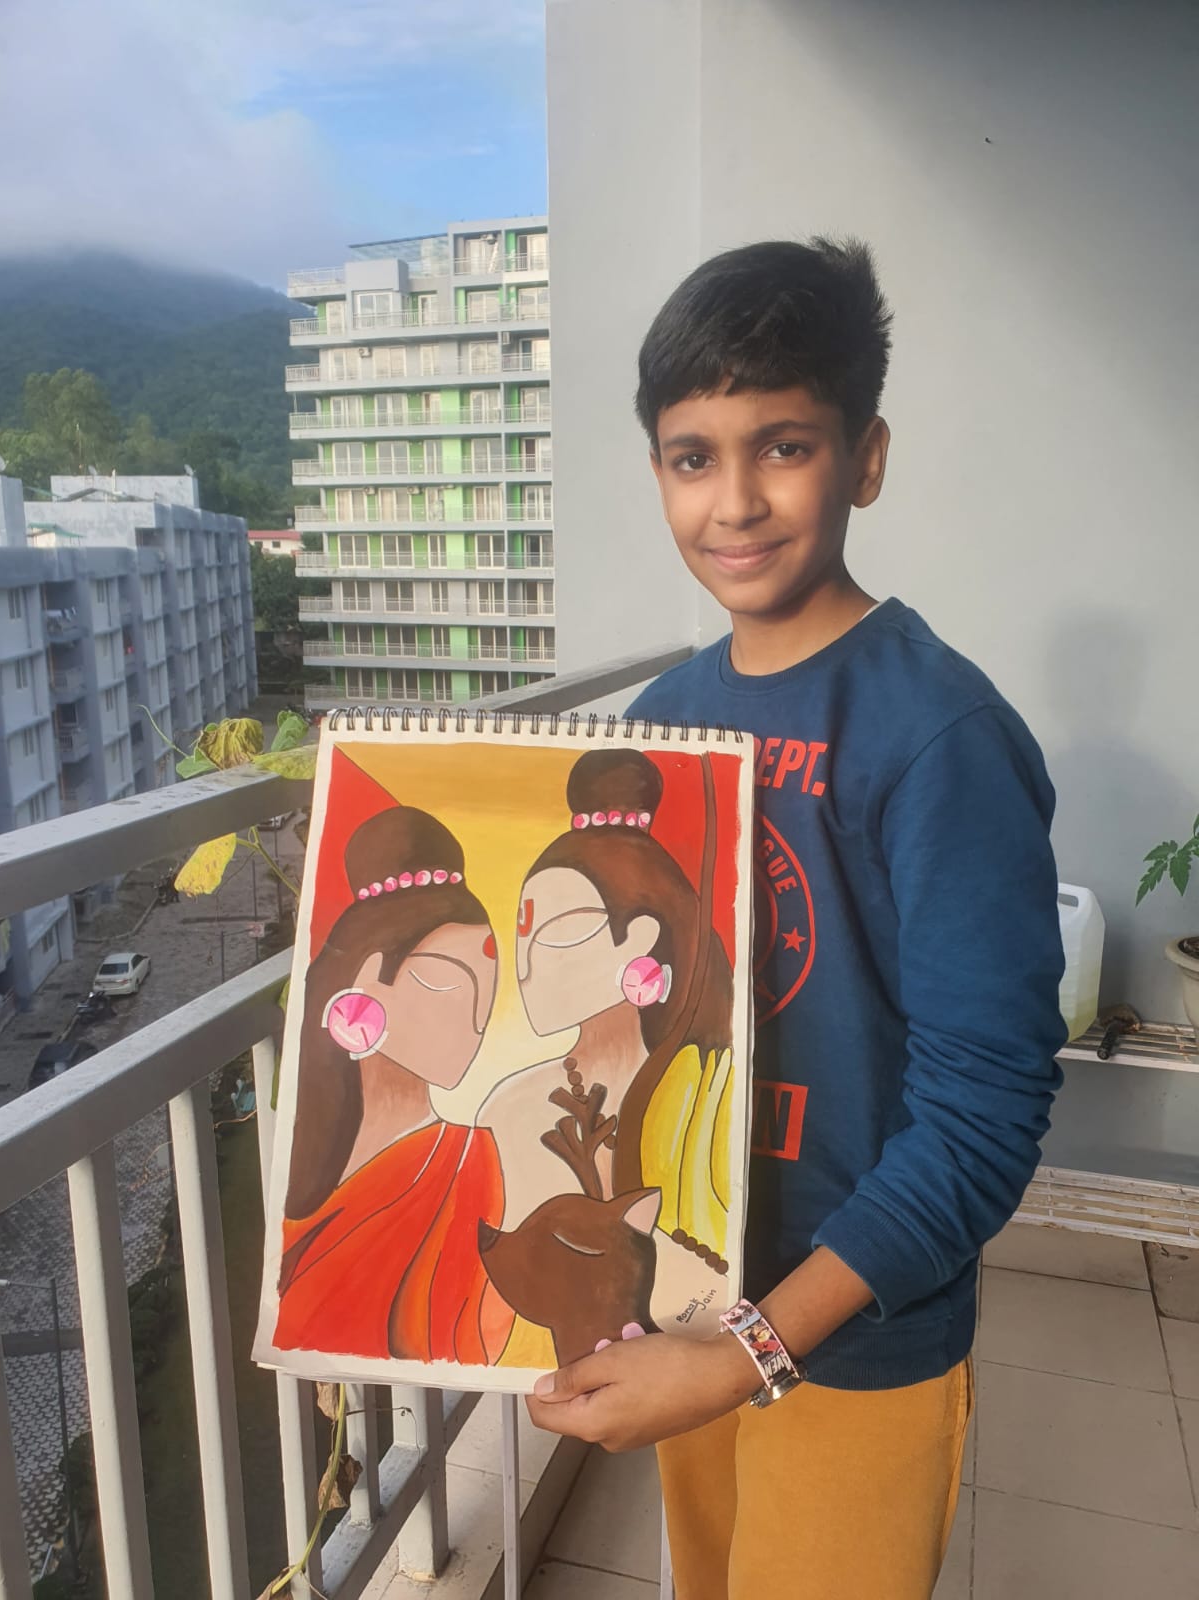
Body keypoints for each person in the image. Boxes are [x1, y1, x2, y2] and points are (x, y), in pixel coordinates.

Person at [527, 239, 1066, 1599]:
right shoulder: (662, 727)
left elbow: (984, 1115)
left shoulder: (939, 735)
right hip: (689, 1299)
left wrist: (752, 1350)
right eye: (691, 456)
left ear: (865, 458)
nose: (736, 501)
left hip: (852, 1335)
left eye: (783, 446)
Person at [480, 748, 736, 1363]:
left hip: (710, 1356)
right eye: (521, 933)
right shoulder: (509, 1108)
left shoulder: (708, 1090)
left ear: (640, 938)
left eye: (558, 931)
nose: (528, 961)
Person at [273, 804, 512, 1366]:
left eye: (490, 986)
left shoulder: (469, 1161)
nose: (479, 1018)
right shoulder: (302, 1166)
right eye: (449, 982)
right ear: (362, 991)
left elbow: (474, 1344)